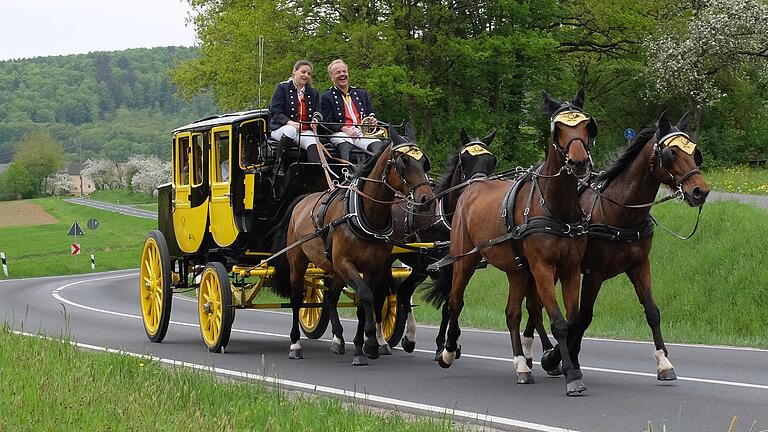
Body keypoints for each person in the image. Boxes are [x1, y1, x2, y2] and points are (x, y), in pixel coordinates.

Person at [320, 59, 385, 161]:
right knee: (345, 144)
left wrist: (372, 120)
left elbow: (370, 112)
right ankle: (347, 173)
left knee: (378, 147)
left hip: (361, 132)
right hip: (340, 133)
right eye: (338, 72)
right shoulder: (326, 97)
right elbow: (326, 122)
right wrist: (344, 129)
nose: (342, 74)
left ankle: (374, 175)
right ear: (331, 77)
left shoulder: (361, 93)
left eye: (344, 71)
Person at [269, 60, 322, 162]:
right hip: (281, 129)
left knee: (313, 142)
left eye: (309, 73)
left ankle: (314, 173)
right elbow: (275, 110)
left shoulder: (313, 92)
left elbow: (318, 112)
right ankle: (279, 168)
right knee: (290, 130)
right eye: (303, 72)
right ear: (294, 71)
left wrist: (315, 120)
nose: (306, 75)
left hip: (304, 131)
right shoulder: (282, 88)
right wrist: (290, 122)